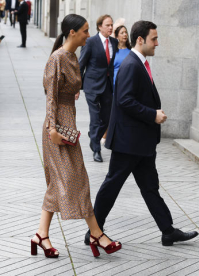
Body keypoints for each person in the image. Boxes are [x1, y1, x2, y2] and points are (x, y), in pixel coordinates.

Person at [85, 20, 199, 247]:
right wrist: (152, 114)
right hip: (128, 142)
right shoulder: (131, 65)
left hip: (141, 142)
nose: (157, 43)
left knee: (150, 187)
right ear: (140, 39)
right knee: (112, 185)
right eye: (154, 39)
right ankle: (93, 232)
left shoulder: (139, 63)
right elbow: (124, 100)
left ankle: (168, 231)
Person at [31, 14, 122, 259]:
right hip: (57, 129)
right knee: (76, 178)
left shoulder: (72, 56)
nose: (87, 34)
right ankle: (96, 234)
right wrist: (52, 129)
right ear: (72, 33)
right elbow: (50, 96)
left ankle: (41, 235)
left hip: (67, 125)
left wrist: (71, 94)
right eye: (84, 30)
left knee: (64, 181)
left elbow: (65, 89)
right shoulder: (57, 58)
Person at [79, 14, 118, 162]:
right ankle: (96, 149)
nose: (110, 27)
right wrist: (77, 87)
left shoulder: (114, 42)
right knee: (95, 118)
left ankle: (93, 135)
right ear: (100, 26)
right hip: (92, 86)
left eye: (111, 25)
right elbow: (81, 64)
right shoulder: (90, 42)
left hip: (107, 86)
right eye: (107, 25)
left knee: (107, 118)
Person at [101, 24, 131, 146]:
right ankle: (105, 134)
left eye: (126, 32)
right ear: (117, 35)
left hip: (126, 86)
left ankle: (119, 137)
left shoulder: (130, 51)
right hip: (112, 86)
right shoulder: (113, 51)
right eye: (122, 32)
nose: (125, 35)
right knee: (111, 113)